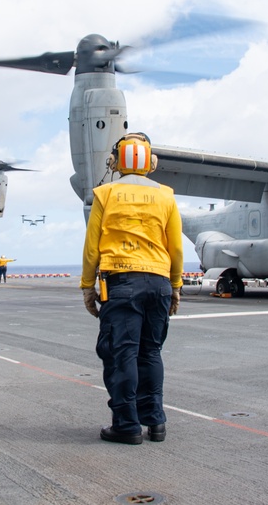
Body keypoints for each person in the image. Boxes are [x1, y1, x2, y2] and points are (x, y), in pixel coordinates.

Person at [80, 132, 183, 445]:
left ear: (115, 161)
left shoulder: (105, 193)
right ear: (151, 162)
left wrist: (87, 287)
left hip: (122, 282)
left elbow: (92, 248)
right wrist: (176, 286)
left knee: (121, 353)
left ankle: (126, 425)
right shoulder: (166, 195)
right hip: (159, 283)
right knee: (150, 352)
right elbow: (176, 248)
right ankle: (156, 423)